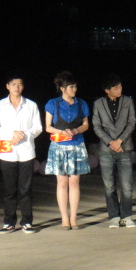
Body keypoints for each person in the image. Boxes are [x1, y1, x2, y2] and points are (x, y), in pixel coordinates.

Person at [0, 73, 42, 234]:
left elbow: (38, 127)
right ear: (7, 86)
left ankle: (27, 221)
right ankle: (9, 222)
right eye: (14, 84)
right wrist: (12, 133)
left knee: (26, 189)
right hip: (8, 152)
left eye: (20, 84)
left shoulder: (31, 105)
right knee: (9, 189)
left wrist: (23, 134)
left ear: (23, 87)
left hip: (26, 152)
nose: (17, 87)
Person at [45, 71, 91, 230]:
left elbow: (86, 125)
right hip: (59, 146)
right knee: (62, 183)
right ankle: (64, 218)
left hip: (77, 144)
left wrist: (76, 130)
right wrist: (61, 132)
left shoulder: (81, 103)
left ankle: (74, 218)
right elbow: (47, 127)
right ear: (62, 88)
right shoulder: (53, 103)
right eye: (71, 87)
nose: (74, 89)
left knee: (74, 182)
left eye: (75, 87)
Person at [92, 74, 136, 228]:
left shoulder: (127, 101)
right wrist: (110, 142)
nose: (119, 89)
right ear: (107, 90)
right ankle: (113, 217)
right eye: (115, 87)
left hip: (124, 147)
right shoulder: (98, 103)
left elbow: (131, 122)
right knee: (109, 185)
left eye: (120, 86)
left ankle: (127, 216)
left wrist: (120, 141)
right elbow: (97, 126)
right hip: (106, 149)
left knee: (126, 185)